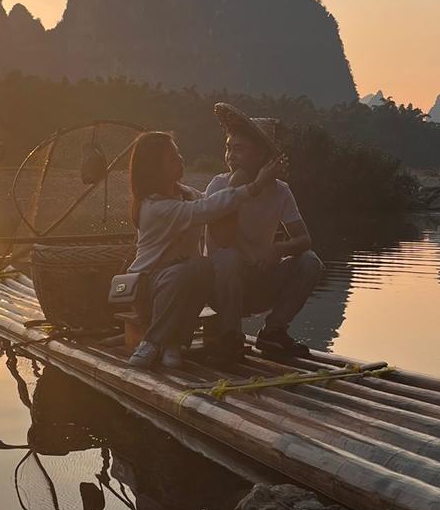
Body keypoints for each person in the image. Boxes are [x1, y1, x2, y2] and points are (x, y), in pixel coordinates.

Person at [126, 131, 284, 370]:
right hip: (150, 288)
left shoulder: (186, 195)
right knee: (193, 268)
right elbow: (208, 208)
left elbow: (215, 204)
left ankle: (172, 342)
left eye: (178, 154)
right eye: (172, 158)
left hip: (183, 285)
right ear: (154, 167)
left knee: (201, 268)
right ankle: (153, 341)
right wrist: (255, 185)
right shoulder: (154, 206)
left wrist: (237, 185)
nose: (180, 160)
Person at [205, 104, 322, 359]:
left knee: (310, 262)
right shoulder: (218, 186)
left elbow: (305, 240)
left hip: (259, 281)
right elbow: (223, 240)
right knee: (228, 257)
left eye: (239, 149)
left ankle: (273, 332)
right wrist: (238, 185)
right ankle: (230, 335)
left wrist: (278, 249)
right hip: (220, 288)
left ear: (261, 156)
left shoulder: (280, 191)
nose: (231, 156)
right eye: (228, 147)